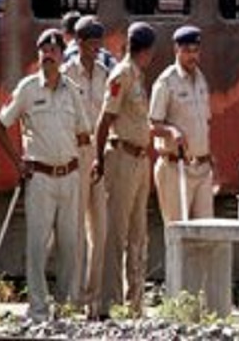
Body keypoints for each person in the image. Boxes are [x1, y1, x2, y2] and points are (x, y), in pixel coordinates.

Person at [0, 29, 91, 320]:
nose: (48, 55)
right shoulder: (27, 89)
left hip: (70, 176)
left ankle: (63, 307)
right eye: (44, 50)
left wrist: (84, 164)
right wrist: (18, 162)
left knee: (69, 245)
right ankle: (38, 307)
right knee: (37, 245)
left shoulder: (72, 90)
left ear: (62, 56)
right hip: (40, 177)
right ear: (39, 55)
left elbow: (84, 132)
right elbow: (1, 124)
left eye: (54, 51)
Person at [93, 21, 156, 319]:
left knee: (137, 233)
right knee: (116, 234)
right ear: (147, 51)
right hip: (122, 157)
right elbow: (105, 121)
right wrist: (99, 160)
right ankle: (108, 303)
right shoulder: (122, 75)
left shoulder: (137, 75)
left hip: (139, 159)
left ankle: (134, 304)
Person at [60, 15, 110, 316]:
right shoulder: (66, 75)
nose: (95, 48)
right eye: (90, 43)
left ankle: (94, 300)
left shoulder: (104, 73)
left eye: (97, 43)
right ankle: (73, 298)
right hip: (75, 155)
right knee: (75, 229)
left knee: (99, 231)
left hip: (98, 155)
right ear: (77, 42)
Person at [150, 25, 214, 223]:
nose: (192, 56)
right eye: (187, 51)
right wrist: (171, 131)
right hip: (176, 169)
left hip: (202, 168)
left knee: (205, 233)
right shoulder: (166, 82)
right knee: (178, 233)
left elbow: (206, 122)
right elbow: (152, 125)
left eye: (195, 51)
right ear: (176, 50)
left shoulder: (200, 78)